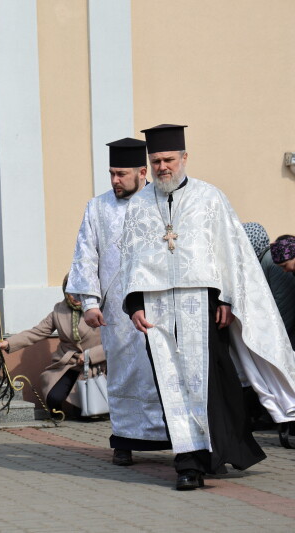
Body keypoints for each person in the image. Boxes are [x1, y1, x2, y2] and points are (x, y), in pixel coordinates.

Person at [121, 124, 295, 490]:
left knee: (212, 385)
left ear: (184, 158)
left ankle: (213, 453)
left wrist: (227, 298)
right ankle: (188, 463)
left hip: (203, 306)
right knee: (172, 385)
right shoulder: (138, 206)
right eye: (156, 161)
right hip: (156, 308)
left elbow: (230, 253)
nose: (162, 167)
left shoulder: (209, 198)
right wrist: (134, 303)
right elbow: (130, 258)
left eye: (169, 159)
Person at [66, 138, 170, 467]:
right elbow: (85, 256)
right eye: (111, 173)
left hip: (160, 307)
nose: (114, 181)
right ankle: (125, 439)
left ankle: (177, 437)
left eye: (121, 174)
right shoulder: (97, 208)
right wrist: (89, 303)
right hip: (116, 313)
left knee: (163, 372)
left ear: (143, 172)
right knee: (125, 374)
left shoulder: (163, 202)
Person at [0, 276, 106, 417]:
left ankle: (95, 410)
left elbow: (115, 340)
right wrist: (8, 343)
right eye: (72, 292)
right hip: (68, 363)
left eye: (81, 292)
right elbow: (37, 332)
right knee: (53, 398)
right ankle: (60, 414)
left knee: (88, 412)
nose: (76, 297)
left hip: (94, 366)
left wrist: (90, 356)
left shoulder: (100, 309)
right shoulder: (59, 311)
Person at [244, 224, 295, 347]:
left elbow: (284, 304)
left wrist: (277, 341)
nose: (284, 270)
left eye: (284, 266)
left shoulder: (270, 262)